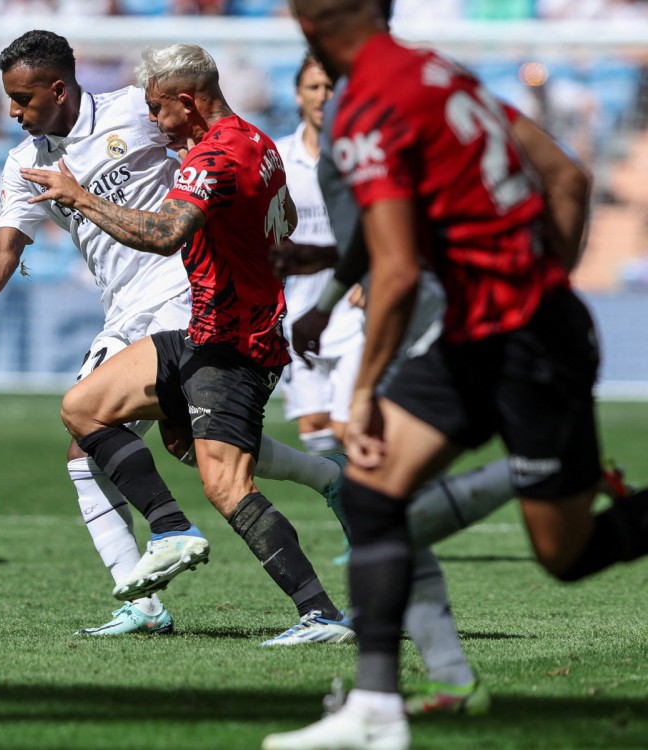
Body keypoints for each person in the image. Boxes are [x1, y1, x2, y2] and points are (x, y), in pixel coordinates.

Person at [265, 2, 648, 749]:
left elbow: (400, 271)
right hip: (496, 332)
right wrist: (546, 287)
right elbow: (566, 178)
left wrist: (368, 389)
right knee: (373, 490)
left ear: (308, 24)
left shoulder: (371, 105)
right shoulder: (440, 73)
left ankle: (381, 705)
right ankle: (377, 709)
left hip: (526, 347)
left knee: (563, 555)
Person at [0, 31, 351, 642]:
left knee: (92, 437)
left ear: (58, 89)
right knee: (183, 445)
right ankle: (322, 480)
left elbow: (187, 201)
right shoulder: (24, 163)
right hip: (123, 310)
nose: (13, 111)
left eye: (22, 98)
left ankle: (165, 558)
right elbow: (6, 246)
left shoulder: (136, 112)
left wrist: (90, 197)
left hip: (185, 296)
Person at [272, 55, 364, 461]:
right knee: (313, 425)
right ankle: (354, 515)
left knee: (350, 426)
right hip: (298, 306)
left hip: (356, 305)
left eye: (331, 87)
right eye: (314, 88)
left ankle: (374, 515)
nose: (323, 96)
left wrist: (369, 273)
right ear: (298, 95)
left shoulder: (361, 155)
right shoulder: (278, 157)